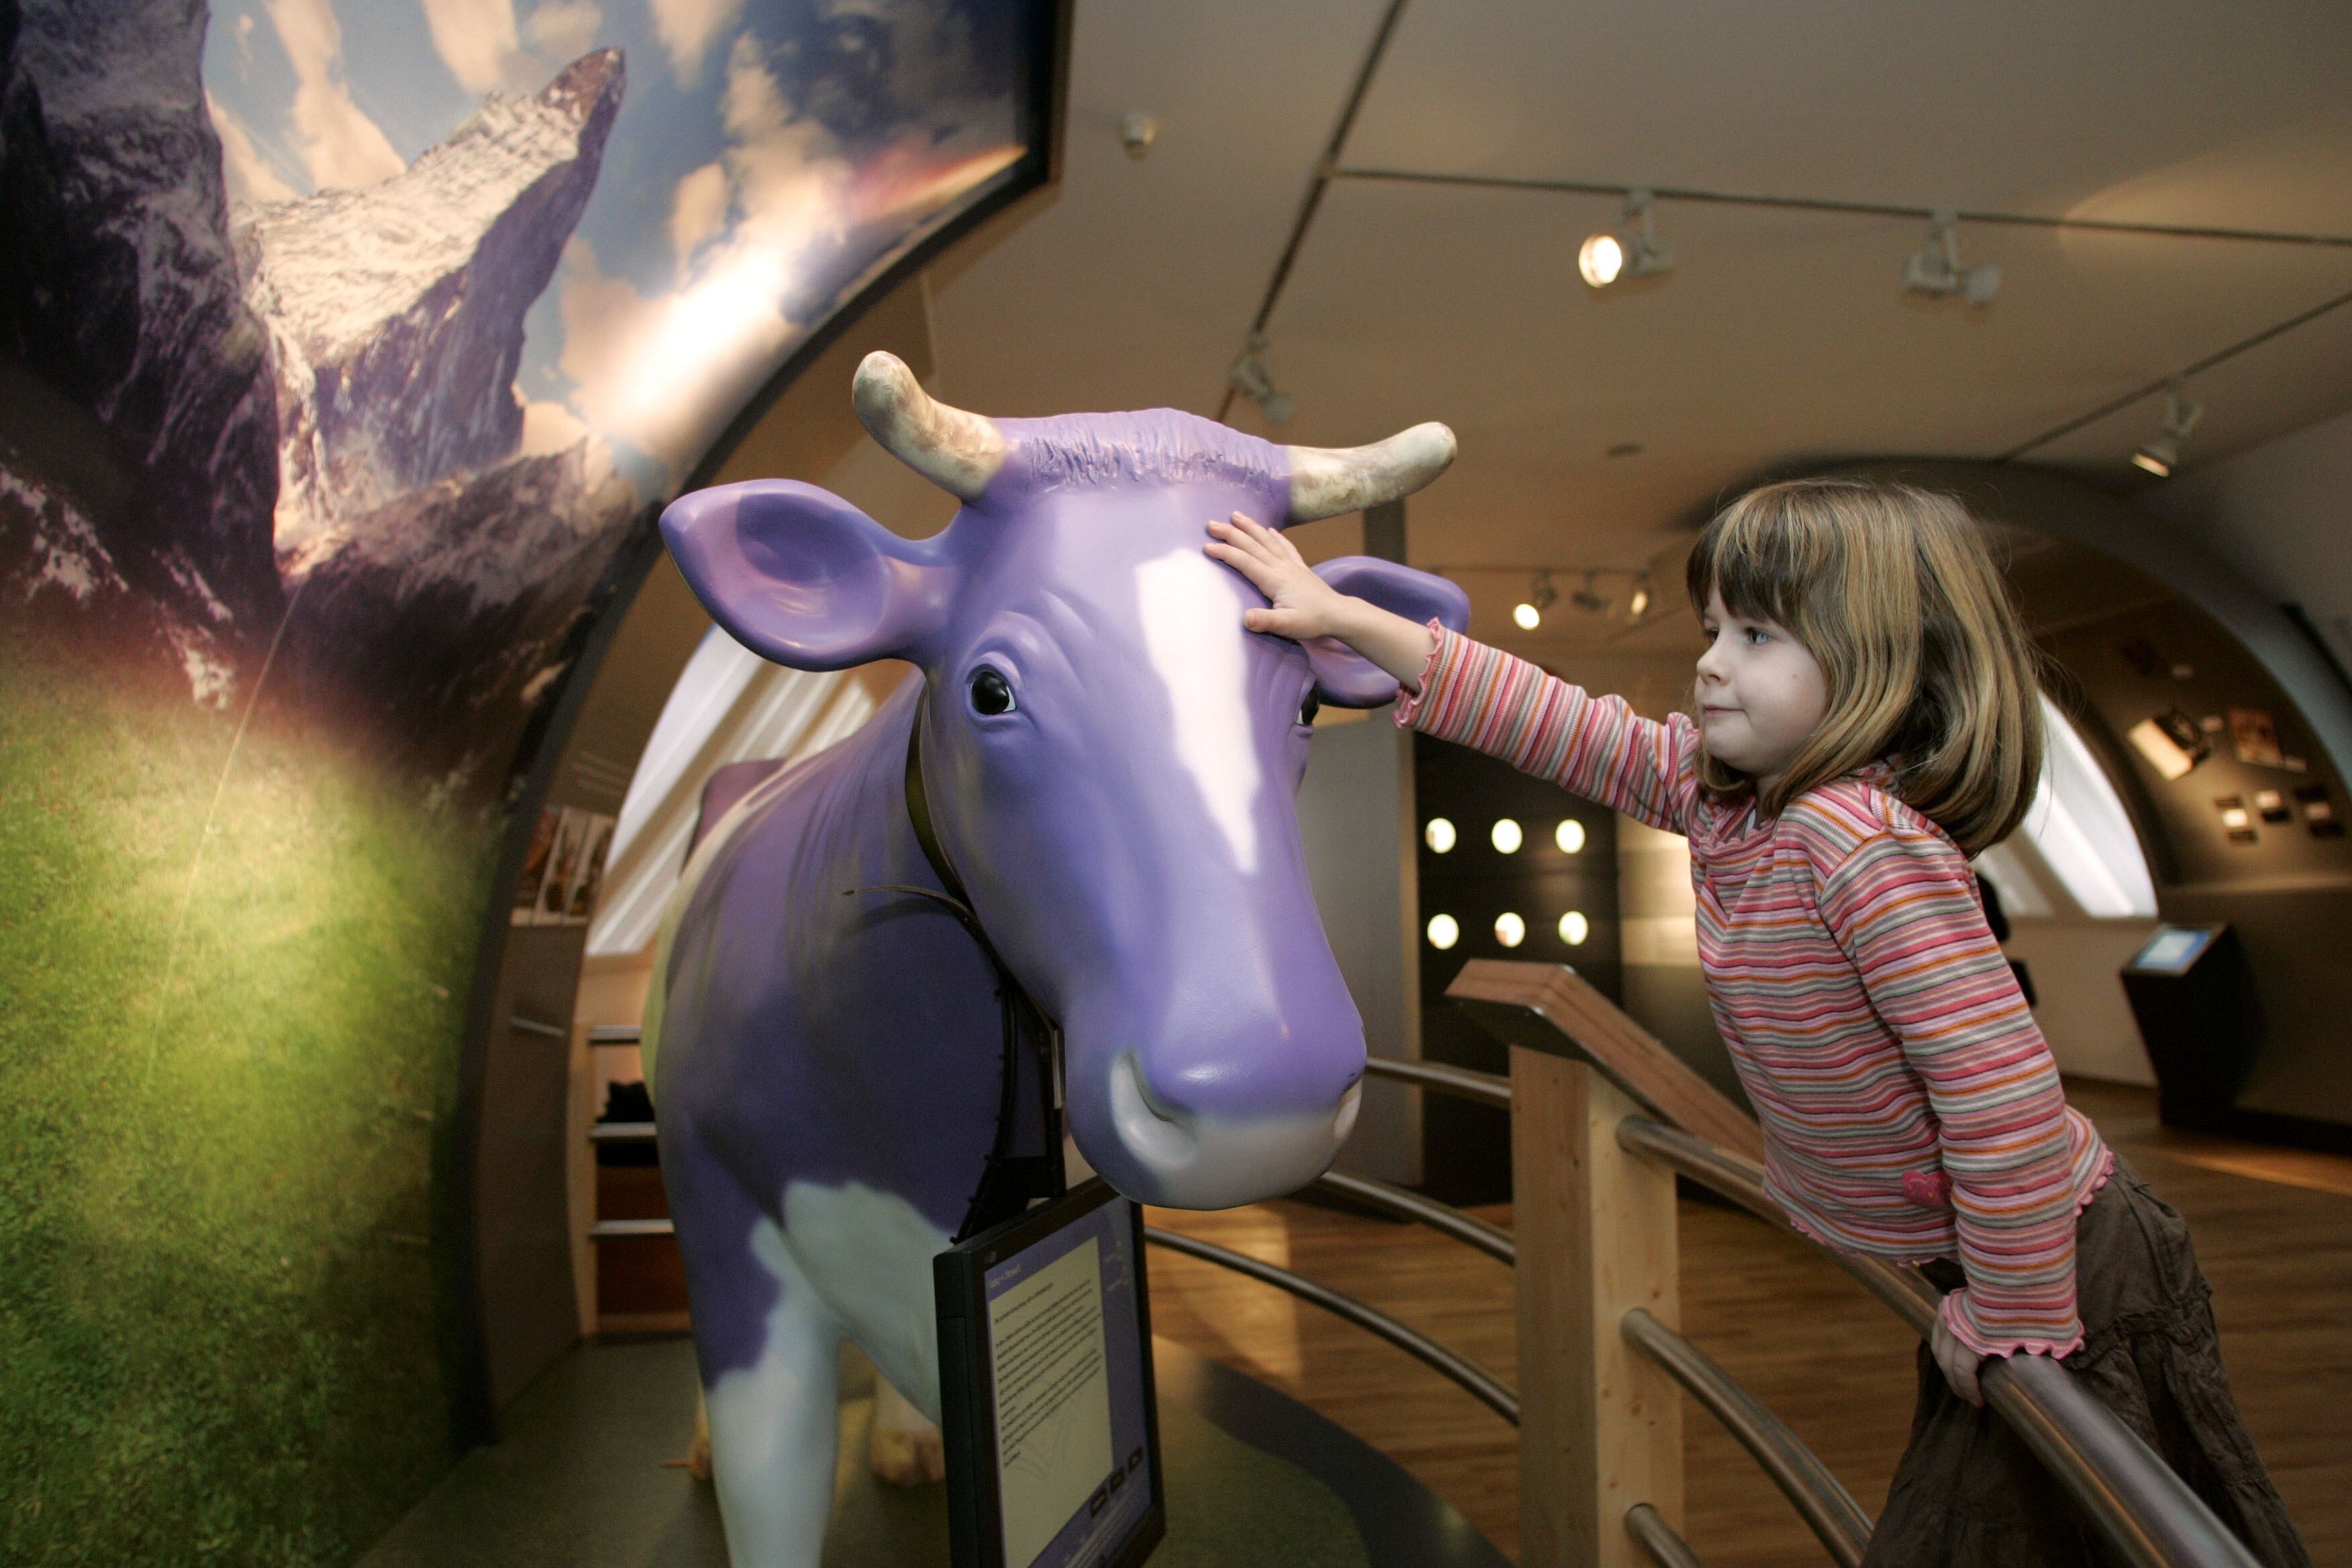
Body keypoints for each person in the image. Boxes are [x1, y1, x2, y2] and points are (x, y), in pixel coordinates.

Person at [1206, 477, 2307, 1568]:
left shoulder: (1863, 846)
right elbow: (1555, 723)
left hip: (2065, 1266)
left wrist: (2016, 1306)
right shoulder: (1725, 800)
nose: (1711, 661)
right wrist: (1343, 617)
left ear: (1877, 657)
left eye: (1760, 633)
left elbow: (2001, 1092)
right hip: (1983, 1268)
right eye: (1716, 627)